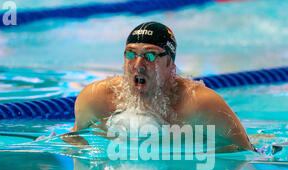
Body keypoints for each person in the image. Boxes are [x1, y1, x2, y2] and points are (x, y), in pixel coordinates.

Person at [67, 21, 253, 152]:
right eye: (131, 55)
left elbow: (246, 152)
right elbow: (74, 141)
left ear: (170, 64)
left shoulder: (201, 104)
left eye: (150, 56)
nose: (138, 64)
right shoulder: (96, 99)